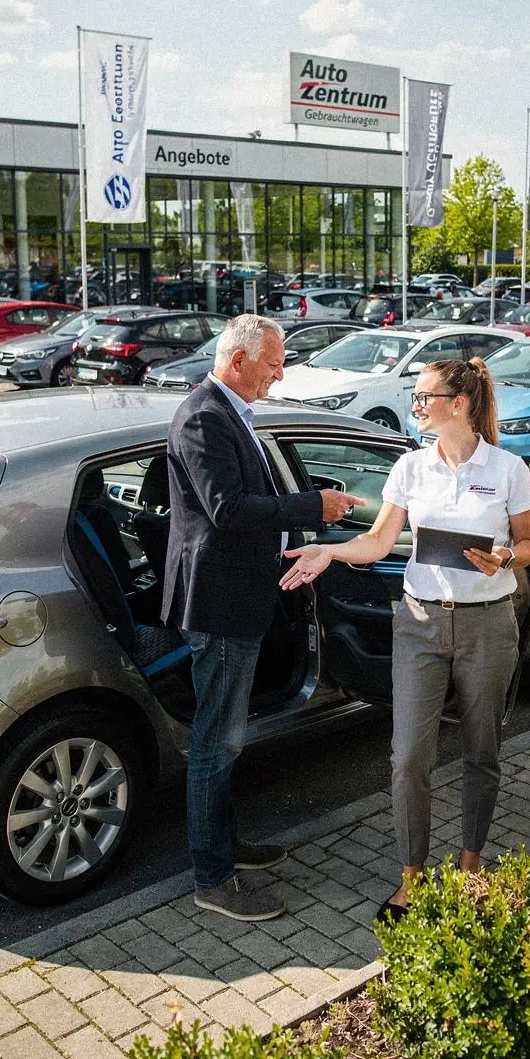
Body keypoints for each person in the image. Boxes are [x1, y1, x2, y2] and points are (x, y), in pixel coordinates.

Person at [280, 358, 530, 921]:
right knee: (408, 758)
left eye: (425, 397)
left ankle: (470, 867)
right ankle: (413, 877)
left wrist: (503, 560)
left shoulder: (508, 468)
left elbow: (529, 546)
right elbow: (377, 542)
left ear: (460, 404)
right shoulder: (409, 467)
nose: (417, 405)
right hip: (419, 622)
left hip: (488, 623)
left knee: (481, 750)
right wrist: (328, 552)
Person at [162, 314, 364, 922]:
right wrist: (314, 505)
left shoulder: (227, 411)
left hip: (236, 596)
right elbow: (227, 509)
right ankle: (212, 877)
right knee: (216, 743)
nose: (281, 371)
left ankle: (223, 847)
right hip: (219, 605)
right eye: (274, 361)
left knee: (225, 738)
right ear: (239, 360)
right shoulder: (204, 415)